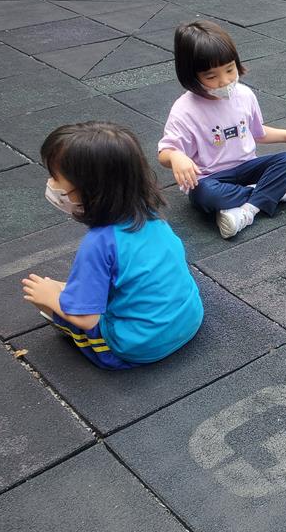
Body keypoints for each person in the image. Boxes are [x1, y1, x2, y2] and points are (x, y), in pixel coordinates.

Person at [22, 122, 204, 370]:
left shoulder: (98, 243)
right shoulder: (151, 216)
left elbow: (87, 319)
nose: (51, 184)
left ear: (89, 189)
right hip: (188, 317)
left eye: (56, 178)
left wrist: (51, 299)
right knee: (78, 287)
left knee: (43, 296)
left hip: (140, 345)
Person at [158, 20, 286, 239]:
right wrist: (176, 157)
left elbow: (257, 132)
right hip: (212, 178)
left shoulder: (244, 95)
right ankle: (274, 192)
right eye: (211, 76)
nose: (224, 81)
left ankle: (247, 211)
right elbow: (165, 152)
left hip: (247, 167)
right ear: (191, 76)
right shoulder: (184, 110)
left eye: (230, 69)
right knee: (204, 194)